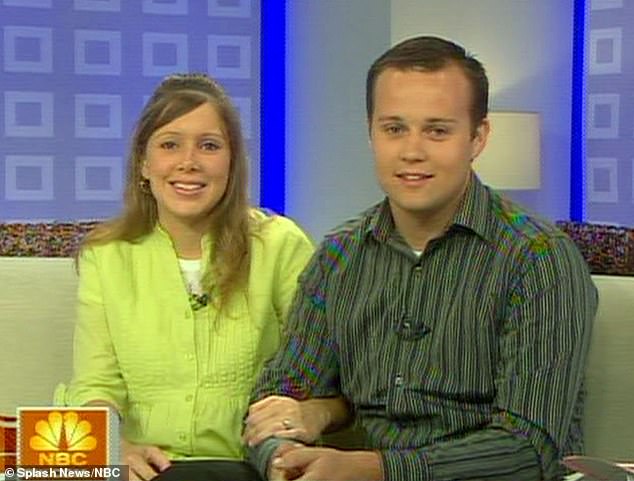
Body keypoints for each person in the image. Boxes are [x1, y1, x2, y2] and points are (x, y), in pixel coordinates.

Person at [243, 36, 598, 481]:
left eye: (437, 130)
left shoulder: (539, 260)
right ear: (370, 132)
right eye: (394, 128)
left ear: (477, 137)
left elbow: (530, 448)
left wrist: (375, 470)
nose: (412, 151)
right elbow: (277, 399)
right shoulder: (338, 257)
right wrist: (283, 458)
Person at [56, 73, 314, 481]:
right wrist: (113, 449)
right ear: (144, 162)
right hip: (149, 470)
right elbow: (96, 383)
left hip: (251, 466)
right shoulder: (106, 256)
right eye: (169, 144)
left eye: (209, 146)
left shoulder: (279, 246)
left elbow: (315, 374)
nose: (188, 162)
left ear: (231, 161)